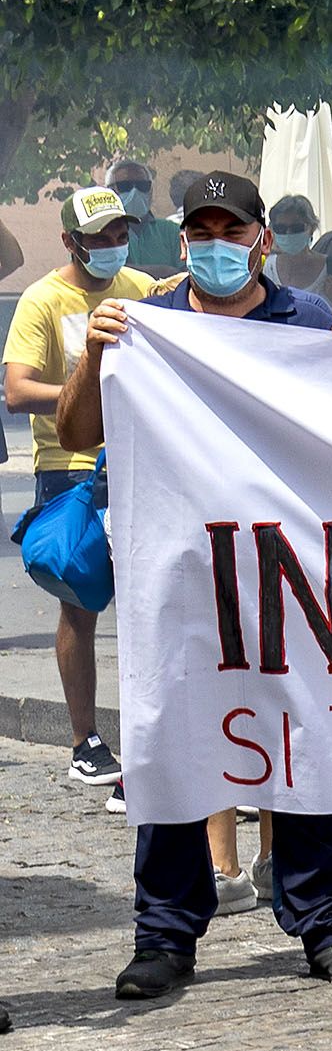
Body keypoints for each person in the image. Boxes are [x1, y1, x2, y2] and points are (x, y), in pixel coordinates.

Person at [57, 171, 332, 996]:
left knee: (305, 735)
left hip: (287, 573)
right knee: (172, 738)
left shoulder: (306, 321)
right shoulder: (147, 323)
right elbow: (75, 431)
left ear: (261, 240)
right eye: (201, 230)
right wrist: (98, 350)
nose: (217, 243)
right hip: (175, 576)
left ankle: (324, 923)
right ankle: (164, 934)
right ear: (182, 242)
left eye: (231, 228)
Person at [6, 185, 154, 791]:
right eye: (100, 239)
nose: (114, 247)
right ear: (71, 242)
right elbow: (16, 390)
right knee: (80, 600)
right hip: (70, 467)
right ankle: (84, 738)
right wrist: (79, 389)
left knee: (148, 605)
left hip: (139, 462)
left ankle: (149, 740)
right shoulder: (43, 300)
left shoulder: (141, 289)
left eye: (121, 236)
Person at [102, 158, 178, 275]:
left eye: (142, 185)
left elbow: (185, 275)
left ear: (151, 191)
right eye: (125, 186)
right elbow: (103, 270)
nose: (134, 191)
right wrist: (165, 271)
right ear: (109, 191)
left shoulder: (172, 231)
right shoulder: (99, 232)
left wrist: (125, 270)